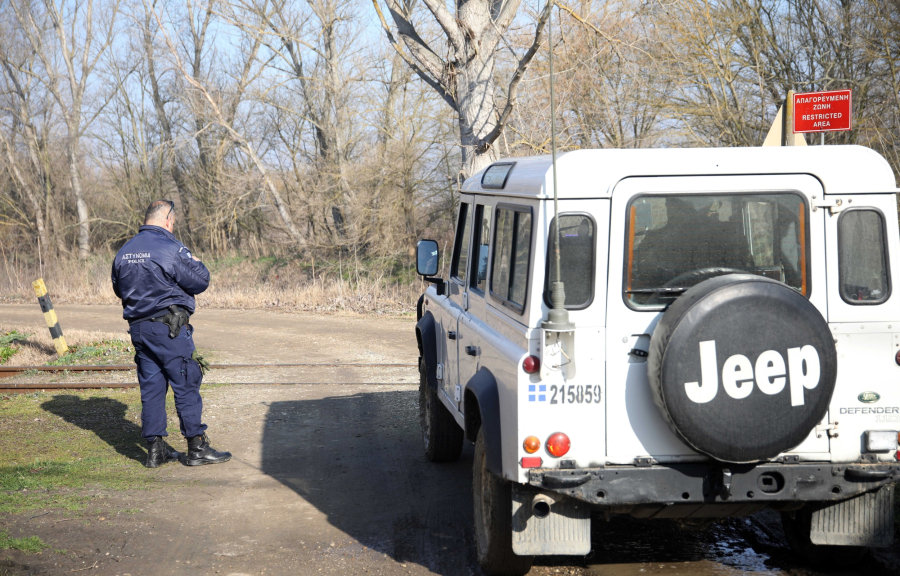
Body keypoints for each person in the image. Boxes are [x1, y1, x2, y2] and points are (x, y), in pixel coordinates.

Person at [111, 200, 231, 468]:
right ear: (167, 220)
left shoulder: (124, 251)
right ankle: (197, 447)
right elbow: (200, 281)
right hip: (169, 329)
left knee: (152, 388)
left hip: (139, 329)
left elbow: (119, 289)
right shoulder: (170, 247)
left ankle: (155, 450)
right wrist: (197, 263)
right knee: (186, 380)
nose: (173, 227)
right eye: (173, 223)